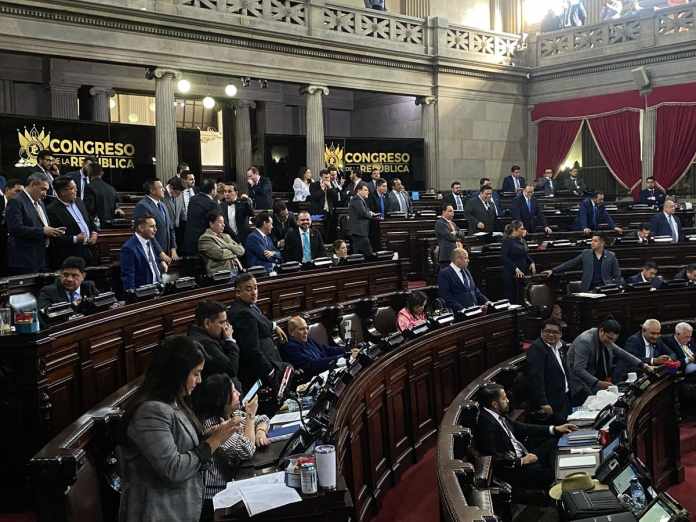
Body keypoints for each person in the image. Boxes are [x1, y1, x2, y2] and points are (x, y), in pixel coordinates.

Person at [118, 335, 238, 522]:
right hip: (160, 512)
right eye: (196, 373)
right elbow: (173, 469)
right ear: (177, 373)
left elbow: (182, 443)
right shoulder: (150, 412)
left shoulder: (175, 401)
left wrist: (214, 434)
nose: (199, 381)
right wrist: (213, 442)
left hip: (184, 506)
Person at [192, 374, 269, 521]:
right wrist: (250, 416)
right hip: (215, 500)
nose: (239, 394)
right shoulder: (211, 425)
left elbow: (264, 419)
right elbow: (246, 449)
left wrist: (260, 431)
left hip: (232, 485)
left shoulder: (231, 414)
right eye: (233, 392)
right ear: (221, 400)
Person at [474, 382, 576, 491]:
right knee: (552, 473)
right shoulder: (486, 424)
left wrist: (554, 429)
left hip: (524, 454)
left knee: (555, 442)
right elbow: (492, 457)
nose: (508, 401)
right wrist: (522, 461)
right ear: (495, 404)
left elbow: (521, 427)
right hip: (515, 468)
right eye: (504, 399)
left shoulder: (496, 414)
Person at [566, 319, 652, 406]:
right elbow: (578, 369)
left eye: (614, 340)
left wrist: (643, 365)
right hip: (579, 382)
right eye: (609, 338)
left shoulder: (607, 338)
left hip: (594, 379)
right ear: (601, 331)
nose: (611, 342)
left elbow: (621, 352)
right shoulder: (584, 341)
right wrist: (598, 383)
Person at [227, 273, 287, 392]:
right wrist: (270, 372)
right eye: (249, 289)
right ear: (238, 292)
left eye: (255, 288)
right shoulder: (242, 314)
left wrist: (274, 326)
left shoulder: (249, 306)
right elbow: (252, 350)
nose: (254, 292)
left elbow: (261, 320)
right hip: (261, 371)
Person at [5, 172, 64, 274]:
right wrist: (43, 231)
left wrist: (53, 231)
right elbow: (15, 229)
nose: (45, 193)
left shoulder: (40, 202)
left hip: (41, 258)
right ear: (33, 184)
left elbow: (43, 226)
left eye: (46, 190)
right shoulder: (16, 201)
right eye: (43, 189)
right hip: (24, 260)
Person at [46, 176, 98, 268]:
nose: (76, 190)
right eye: (72, 188)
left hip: (88, 250)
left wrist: (94, 233)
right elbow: (55, 238)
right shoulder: (52, 210)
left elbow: (89, 220)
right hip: (69, 255)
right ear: (62, 192)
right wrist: (75, 238)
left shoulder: (79, 201)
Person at [527, 319, 571, 424]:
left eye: (555, 332)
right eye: (547, 331)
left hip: (564, 397)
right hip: (550, 401)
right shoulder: (537, 348)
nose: (551, 335)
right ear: (541, 332)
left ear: (560, 334)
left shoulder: (562, 346)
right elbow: (536, 378)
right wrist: (543, 403)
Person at [188, 300, 241, 386]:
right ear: (207, 323)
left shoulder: (205, 335)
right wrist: (230, 340)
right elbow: (231, 370)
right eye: (222, 322)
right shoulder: (205, 343)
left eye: (226, 322)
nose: (226, 326)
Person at [543, 233, 622, 291]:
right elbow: (571, 263)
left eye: (595, 241)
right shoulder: (586, 253)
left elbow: (617, 275)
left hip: (605, 288)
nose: (592, 243)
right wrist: (553, 270)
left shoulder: (611, 256)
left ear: (602, 243)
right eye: (592, 241)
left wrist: (617, 288)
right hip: (588, 287)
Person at [280, 316, 348, 380]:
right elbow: (312, 365)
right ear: (291, 332)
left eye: (307, 328)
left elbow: (325, 350)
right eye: (301, 329)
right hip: (314, 378)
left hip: (326, 372)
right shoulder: (290, 347)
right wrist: (341, 357)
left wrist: (347, 350)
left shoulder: (308, 340)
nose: (306, 332)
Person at [134, 179, 178, 262]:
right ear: (152, 190)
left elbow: (170, 228)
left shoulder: (163, 205)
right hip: (153, 254)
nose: (164, 190)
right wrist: (160, 252)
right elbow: (146, 233)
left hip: (167, 252)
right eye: (161, 188)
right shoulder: (142, 206)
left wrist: (173, 248)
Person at [120, 215, 168, 292]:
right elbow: (129, 277)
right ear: (141, 228)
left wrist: (160, 261)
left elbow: (150, 259)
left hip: (160, 286)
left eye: (155, 226)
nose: (155, 229)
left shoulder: (150, 240)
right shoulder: (128, 248)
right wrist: (132, 297)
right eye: (152, 226)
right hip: (146, 292)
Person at [198, 210, 245, 275]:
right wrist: (234, 250)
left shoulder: (226, 236)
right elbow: (220, 254)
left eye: (224, 222)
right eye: (220, 222)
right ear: (211, 224)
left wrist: (227, 246)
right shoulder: (205, 238)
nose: (224, 225)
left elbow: (241, 251)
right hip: (221, 274)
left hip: (237, 270)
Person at [501, 221, 535, 304]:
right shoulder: (507, 241)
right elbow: (504, 258)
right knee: (512, 297)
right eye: (521, 229)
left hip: (522, 271)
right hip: (511, 272)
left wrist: (532, 262)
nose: (524, 230)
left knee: (521, 295)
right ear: (515, 230)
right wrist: (515, 268)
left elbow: (525, 254)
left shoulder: (522, 240)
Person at [183, 179, 218, 256]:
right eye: (216, 189)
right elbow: (217, 224)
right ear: (212, 191)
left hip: (189, 242)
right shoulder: (212, 204)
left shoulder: (192, 199)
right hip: (203, 244)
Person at [348, 183, 377, 257]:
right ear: (359, 191)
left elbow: (365, 211)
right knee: (368, 254)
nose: (368, 192)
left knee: (358, 255)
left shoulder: (360, 200)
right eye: (365, 190)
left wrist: (369, 212)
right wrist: (371, 215)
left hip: (360, 232)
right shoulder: (356, 200)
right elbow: (364, 213)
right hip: (359, 233)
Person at [163, 177, 187, 241]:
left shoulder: (180, 193)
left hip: (177, 230)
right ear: (171, 187)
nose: (179, 195)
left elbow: (182, 211)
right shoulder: (161, 195)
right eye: (178, 193)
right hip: (165, 232)